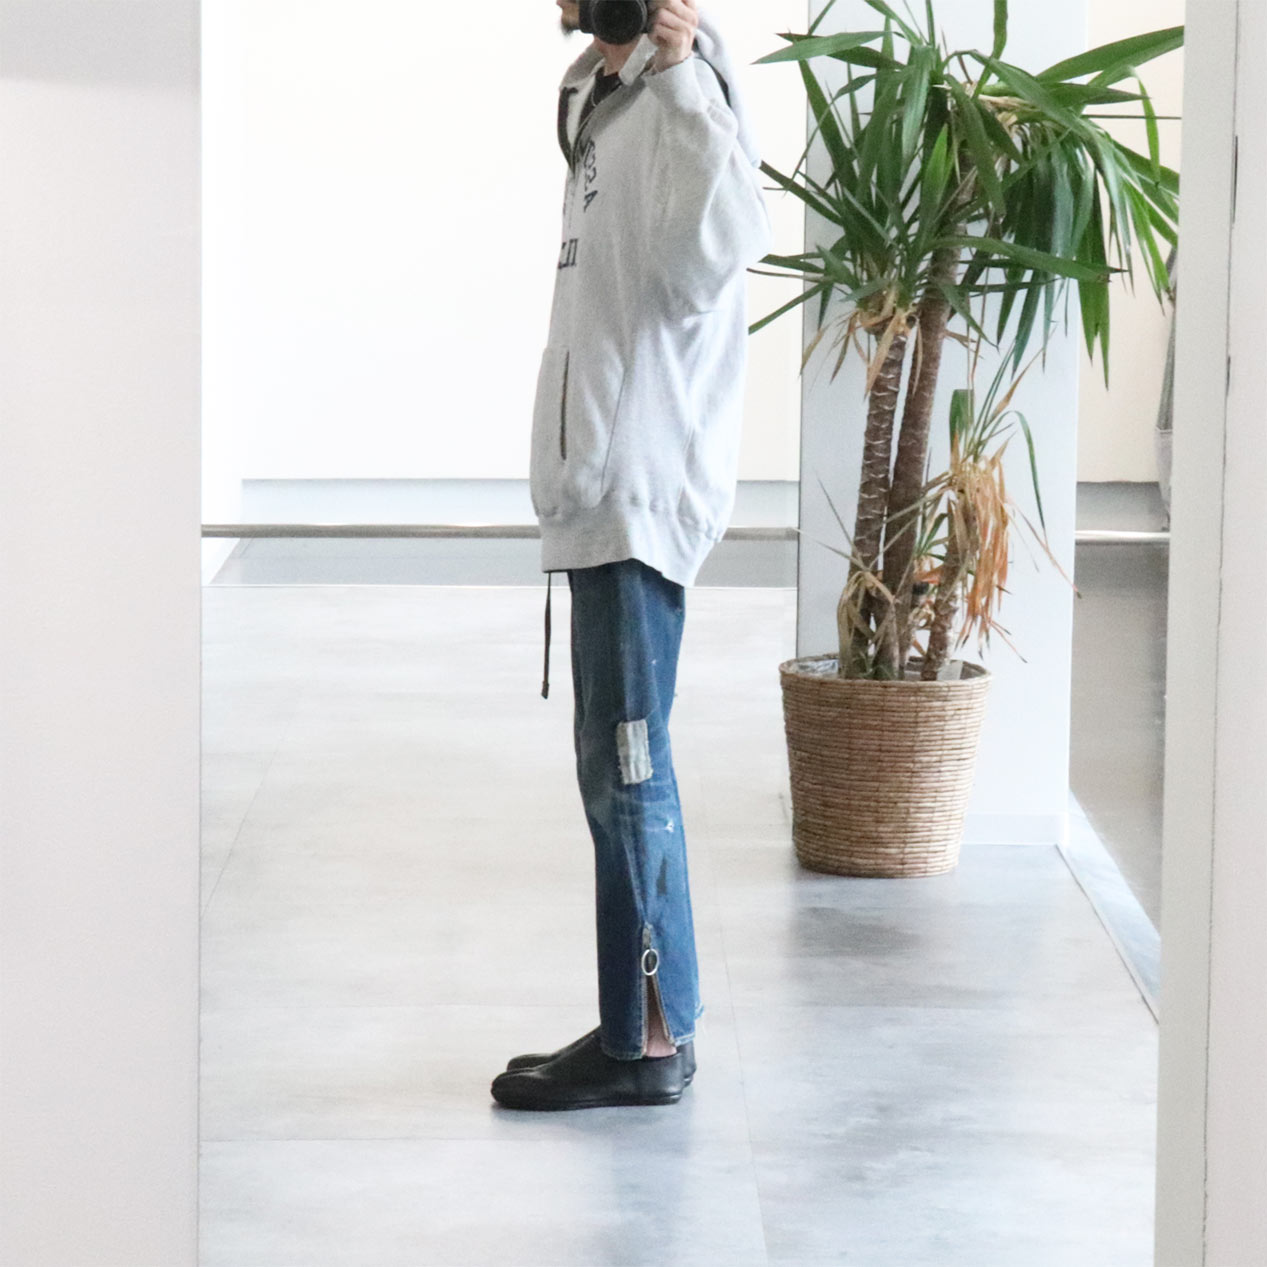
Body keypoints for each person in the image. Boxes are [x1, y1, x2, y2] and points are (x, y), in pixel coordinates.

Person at [490, 0, 771, 1111]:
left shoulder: (681, 102)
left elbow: (715, 258)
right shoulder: (599, 99)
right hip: (598, 488)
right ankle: (635, 1021)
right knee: (613, 774)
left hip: (639, 491)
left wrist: (683, 71)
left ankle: (649, 1042)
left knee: (631, 768)